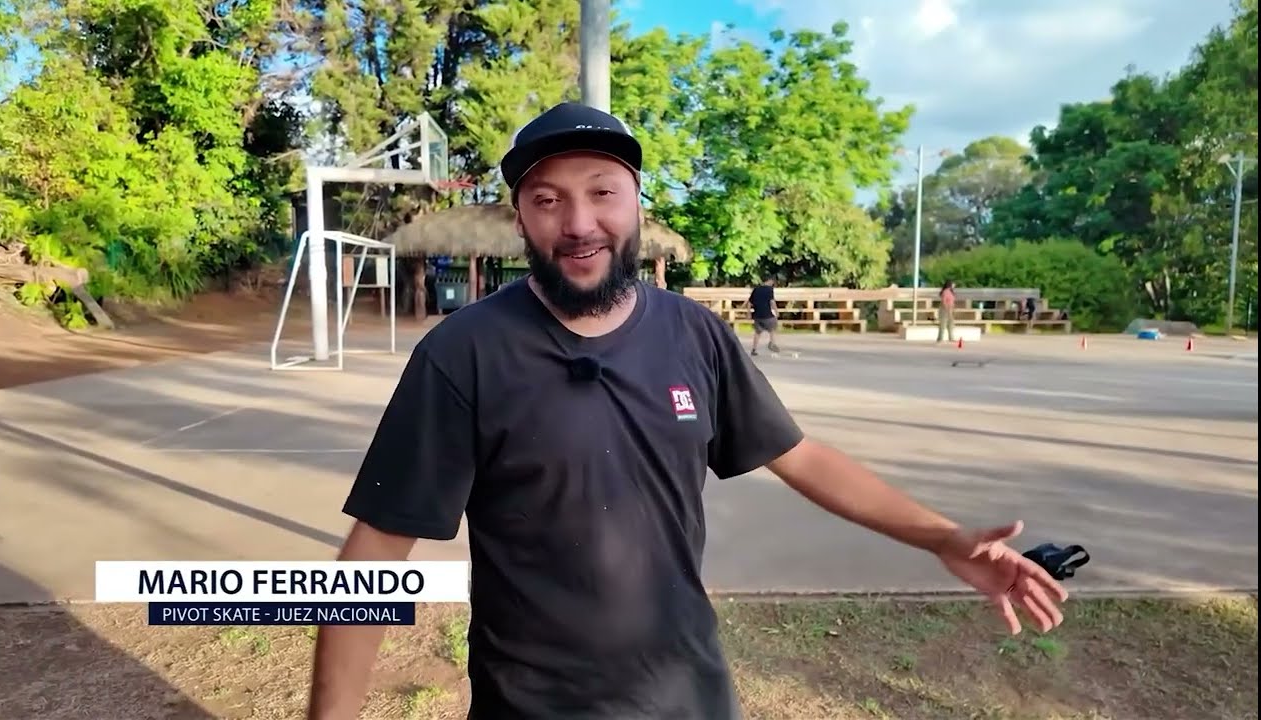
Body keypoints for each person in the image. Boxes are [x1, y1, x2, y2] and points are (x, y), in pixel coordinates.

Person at [307, 103, 1068, 720]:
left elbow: (800, 457)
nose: (579, 222)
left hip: (689, 695)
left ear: (636, 204)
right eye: (548, 200)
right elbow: (375, 550)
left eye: (602, 191)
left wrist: (941, 537)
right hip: (534, 705)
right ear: (520, 221)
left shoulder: (693, 334)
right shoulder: (464, 352)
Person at [748, 277, 781, 356]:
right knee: (772, 327)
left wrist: (748, 313)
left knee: (757, 332)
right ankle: (772, 343)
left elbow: (749, 302)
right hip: (767, 315)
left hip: (757, 315)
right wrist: (776, 312)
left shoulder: (756, 289)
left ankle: (754, 349)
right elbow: (772, 302)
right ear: (770, 281)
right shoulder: (769, 290)